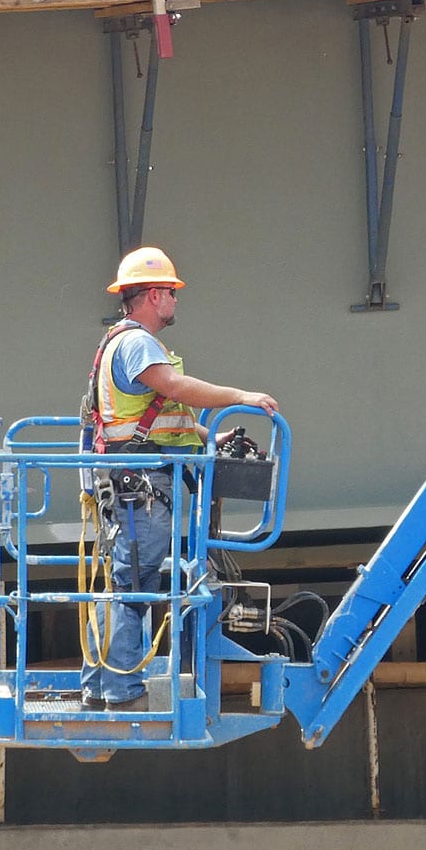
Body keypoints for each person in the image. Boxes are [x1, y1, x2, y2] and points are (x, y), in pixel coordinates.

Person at [81, 246, 279, 711]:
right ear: (153, 295)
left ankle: (100, 686)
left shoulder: (128, 342)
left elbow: (160, 413)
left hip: (136, 480)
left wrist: (209, 433)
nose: (175, 299)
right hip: (140, 484)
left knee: (124, 581)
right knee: (134, 583)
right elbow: (173, 388)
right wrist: (241, 395)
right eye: (171, 291)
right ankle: (122, 692)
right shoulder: (137, 344)